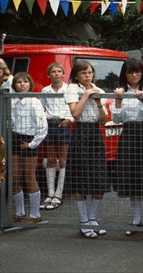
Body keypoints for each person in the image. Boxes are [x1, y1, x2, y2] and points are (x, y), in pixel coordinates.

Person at [112, 58, 143, 236]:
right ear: (125, 73)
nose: (134, 75)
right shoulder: (120, 91)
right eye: (130, 72)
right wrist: (117, 101)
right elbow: (117, 119)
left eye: (137, 71)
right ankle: (136, 217)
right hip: (129, 134)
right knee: (130, 174)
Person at [64, 60, 110, 239]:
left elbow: (104, 120)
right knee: (81, 179)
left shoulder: (97, 89)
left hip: (95, 133)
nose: (88, 76)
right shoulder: (72, 88)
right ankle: (83, 221)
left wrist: (98, 102)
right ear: (76, 75)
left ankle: (92, 219)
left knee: (99, 179)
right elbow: (75, 114)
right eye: (83, 73)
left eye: (90, 72)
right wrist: (86, 94)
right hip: (81, 132)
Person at [10, 72, 48, 223]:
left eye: (25, 82)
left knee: (29, 177)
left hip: (29, 139)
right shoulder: (11, 101)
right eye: (19, 82)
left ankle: (35, 214)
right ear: (14, 85)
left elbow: (43, 127)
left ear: (30, 84)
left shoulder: (34, 101)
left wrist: (31, 144)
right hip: (14, 139)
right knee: (14, 178)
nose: (22, 84)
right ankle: (20, 213)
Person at [40, 62, 73, 211]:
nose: (56, 73)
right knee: (51, 159)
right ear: (49, 75)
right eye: (53, 71)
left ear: (63, 74)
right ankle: (50, 194)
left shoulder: (69, 89)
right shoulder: (45, 90)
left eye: (59, 71)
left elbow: (75, 107)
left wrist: (70, 120)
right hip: (50, 124)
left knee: (63, 160)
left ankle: (59, 194)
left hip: (63, 124)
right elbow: (42, 108)